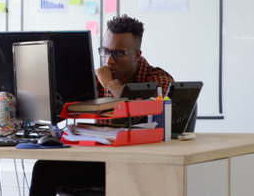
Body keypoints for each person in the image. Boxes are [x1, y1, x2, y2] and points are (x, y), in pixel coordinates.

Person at [29, 15, 174, 196]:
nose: (109, 61)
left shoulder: (158, 79)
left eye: (118, 53)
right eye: (105, 51)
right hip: (103, 161)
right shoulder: (98, 79)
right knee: (45, 168)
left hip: (142, 165)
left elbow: (139, 106)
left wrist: (109, 84)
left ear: (137, 55)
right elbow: (64, 108)